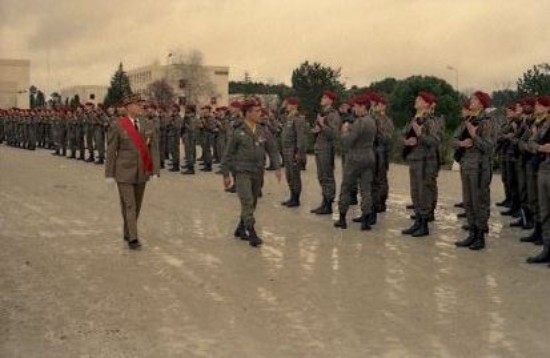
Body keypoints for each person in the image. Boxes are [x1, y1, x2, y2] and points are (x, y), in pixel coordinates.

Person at [221, 99, 281, 247]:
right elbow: (228, 154)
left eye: (260, 111)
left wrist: (277, 167)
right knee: (247, 200)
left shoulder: (263, 130)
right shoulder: (238, 131)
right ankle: (251, 232)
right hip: (242, 172)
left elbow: (272, 149)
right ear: (247, 113)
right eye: (256, 111)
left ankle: (241, 228)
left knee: (253, 202)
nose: (260, 114)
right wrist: (226, 174)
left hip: (258, 171)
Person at [105, 95, 160, 250]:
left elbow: (154, 148)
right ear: (128, 106)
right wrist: (109, 175)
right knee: (130, 205)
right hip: (123, 172)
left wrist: (155, 171)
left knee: (136, 205)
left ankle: (128, 231)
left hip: (142, 172)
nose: (141, 107)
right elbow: (111, 151)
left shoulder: (148, 124)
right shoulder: (118, 125)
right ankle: (133, 238)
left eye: (142, 104)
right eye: (137, 104)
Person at [453, 91, 495, 250]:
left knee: (479, 202)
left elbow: (490, 148)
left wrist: (474, 136)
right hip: (466, 165)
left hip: (479, 167)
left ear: (482, 103)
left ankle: (480, 236)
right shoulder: (468, 120)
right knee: (468, 201)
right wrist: (461, 144)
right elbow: (453, 139)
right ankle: (471, 233)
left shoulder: (487, 122)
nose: (471, 101)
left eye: (475, 99)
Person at [333, 94, 377, 230]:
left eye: (356, 106)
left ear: (363, 107)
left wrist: (344, 131)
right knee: (366, 189)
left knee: (346, 187)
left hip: (355, 157)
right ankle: (366, 221)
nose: (354, 109)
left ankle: (342, 218)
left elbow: (347, 141)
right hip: (369, 156)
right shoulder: (372, 121)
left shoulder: (359, 122)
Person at [401, 91, 440, 237]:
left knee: (424, 193)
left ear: (426, 104)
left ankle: (424, 225)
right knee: (415, 192)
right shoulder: (414, 119)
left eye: (419, 99)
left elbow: (435, 141)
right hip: (414, 159)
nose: (416, 101)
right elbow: (403, 134)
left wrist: (420, 135)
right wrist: (405, 141)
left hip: (425, 162)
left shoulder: (430, 121)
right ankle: (417, 222)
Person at [525, 96, 550, 263]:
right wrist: (541, 147)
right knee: (545, 211)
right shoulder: (544, 125)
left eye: (539, 105)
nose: (536, 106)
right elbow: (530, 142)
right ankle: (547, 248)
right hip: (543, 170)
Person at [310, 90, 341, 215]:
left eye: (325, 97)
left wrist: (322, 125)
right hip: (319, 147)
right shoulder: (322, 113)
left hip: (327, 148)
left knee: (327, 176)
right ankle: (324, 202)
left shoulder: (333, 115)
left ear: (331, 100)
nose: (322, 99)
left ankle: (328, 204)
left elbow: (334, 134)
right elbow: (318, 129)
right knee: (321, 176)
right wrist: (316, 130)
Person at [280, 97, 307, 207]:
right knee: (289, 175)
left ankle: (296, 199)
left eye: (289, 104)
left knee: (294, 175)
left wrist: (298, 152)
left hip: (293, 150)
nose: (286, 106)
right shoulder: (289, 118)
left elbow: (300, 137)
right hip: (286, 150)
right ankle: (292, 196)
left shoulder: (298, 119)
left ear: (294, 105)